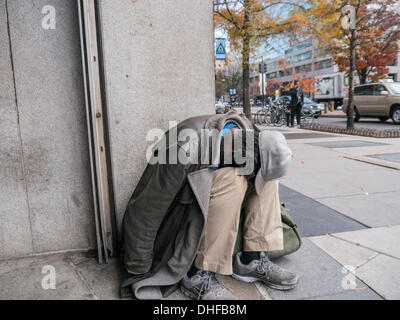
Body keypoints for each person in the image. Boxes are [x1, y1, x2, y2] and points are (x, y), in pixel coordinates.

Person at [121, 112, 299, 300]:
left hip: (213, 209)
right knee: (234, 179)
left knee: (268, 179)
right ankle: (197, 274)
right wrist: (138, 269)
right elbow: (144, 209)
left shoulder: (246, 133)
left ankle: (251, 260)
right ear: (239, 153)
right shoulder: (186, 146)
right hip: (180, 220)